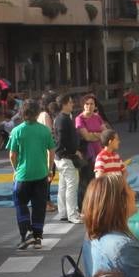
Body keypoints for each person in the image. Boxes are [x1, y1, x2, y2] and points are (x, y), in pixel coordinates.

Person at [7, 100, 55, 251]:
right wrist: (49, 168)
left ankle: (26, 234)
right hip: (41, 174)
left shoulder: (17, 131)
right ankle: (37, 238)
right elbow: (51, 151)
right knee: (39, 206)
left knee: (20, 203)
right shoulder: (45, 131)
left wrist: (15, 169)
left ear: (22, 113)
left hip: (23, 175)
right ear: (37, 113)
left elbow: (12, 155)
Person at [52, 94, 81, 223]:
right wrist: (73, 151)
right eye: (70, 102)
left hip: (61, 156)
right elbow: (62, 140)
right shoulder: (63, 119)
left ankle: (63, 212)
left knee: (63, 184)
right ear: (64, 104)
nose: (72, 104)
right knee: (71, 184)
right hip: (65, 156)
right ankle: (72, 214)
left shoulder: (61, 118)